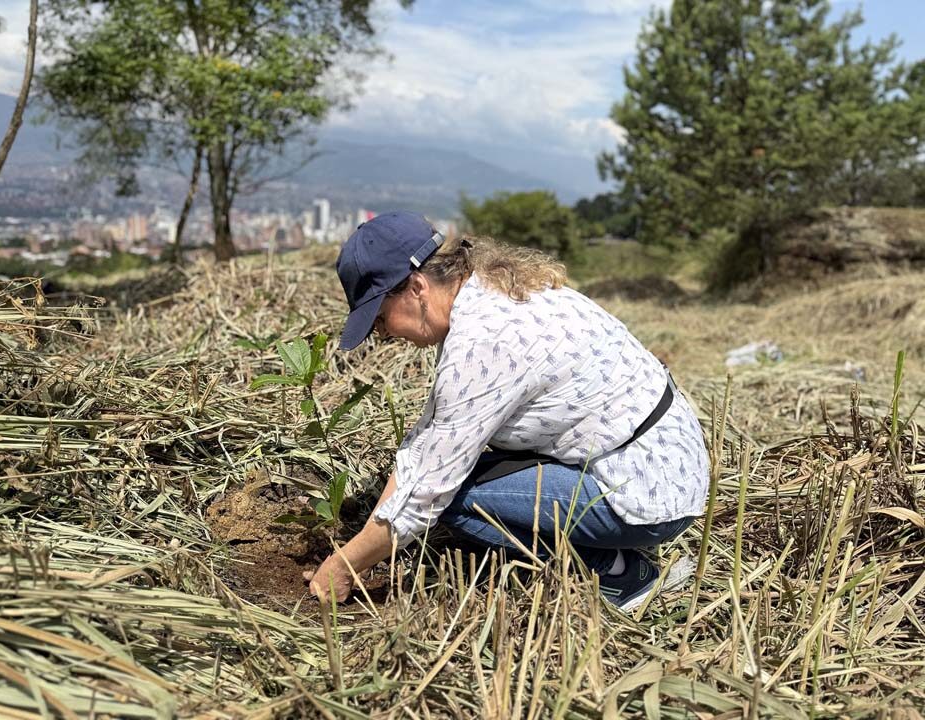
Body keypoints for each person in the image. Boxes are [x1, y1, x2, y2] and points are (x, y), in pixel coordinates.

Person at [304, 211, 709, 611]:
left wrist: (344, 566)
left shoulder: (486, 342)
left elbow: (425, 493)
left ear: (415, 287)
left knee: (454, 499)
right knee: (455, 480)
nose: (384, 334)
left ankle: (614, 573)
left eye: (379, 317)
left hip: (644, 490)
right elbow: (428, 445)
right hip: (662, 459)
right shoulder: (487, 292)